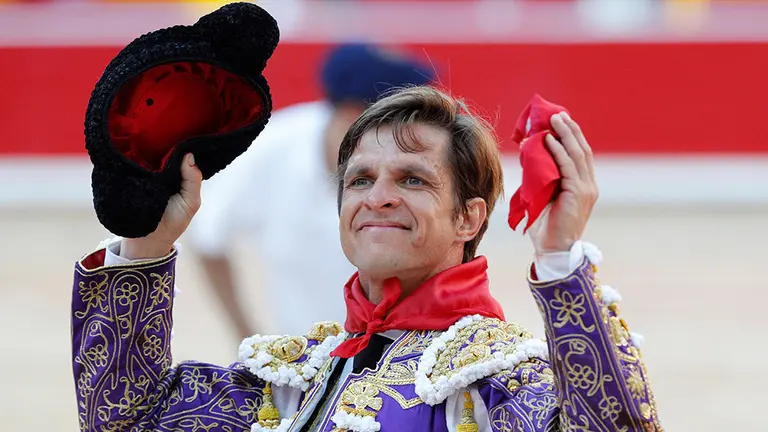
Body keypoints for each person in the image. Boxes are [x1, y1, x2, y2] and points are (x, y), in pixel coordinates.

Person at [71, 86, 663, 431]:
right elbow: (127, 417)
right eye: (359, 180)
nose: (378, 196)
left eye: (411, 179)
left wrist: (560, 259)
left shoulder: (497, 379)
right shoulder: (296, 376)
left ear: (469, 217)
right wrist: (147, 243)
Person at [185, 43, 436, 338]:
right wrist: (245, 336)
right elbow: (208, 236)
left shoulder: (420, 156)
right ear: (357, 112)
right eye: (405, 113)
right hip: (304, 359)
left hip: (401, 355)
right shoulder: (274, 148)